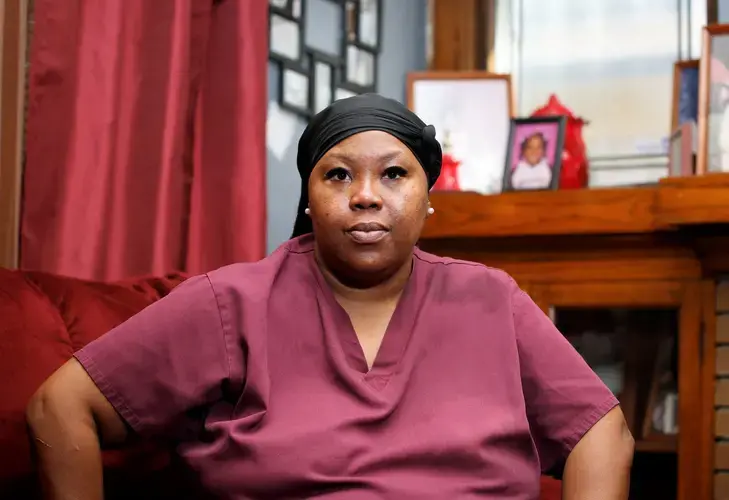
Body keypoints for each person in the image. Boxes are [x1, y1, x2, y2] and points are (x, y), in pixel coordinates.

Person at [27, 94, 634, 499]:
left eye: (394, 174)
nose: (366, 195)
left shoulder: (490, 298)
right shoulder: (230, 302)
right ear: (310, 199)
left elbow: (600, 431)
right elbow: (60, 407)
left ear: (428, 194)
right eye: (338, 174)